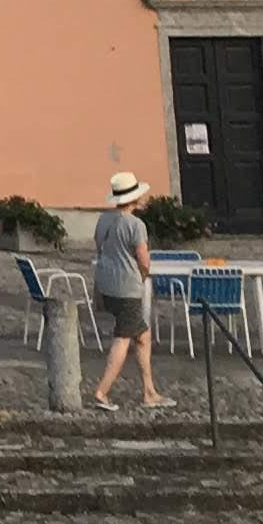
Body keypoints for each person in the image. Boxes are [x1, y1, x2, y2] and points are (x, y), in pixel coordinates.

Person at [90, 170, 162, 409]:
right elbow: (143, 259)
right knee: (123, 337)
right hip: (127, 287)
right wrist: (143, 276)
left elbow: (99, 246)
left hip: (105, 284)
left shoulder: (103, 220)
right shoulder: (135, 225)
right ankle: (102, 391)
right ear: (134, 198)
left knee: (142, 335)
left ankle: (149, 390)